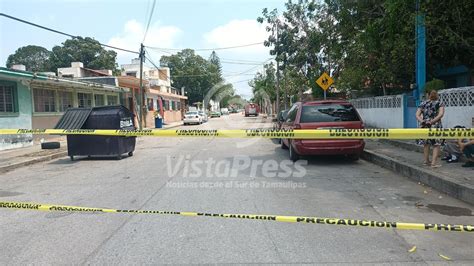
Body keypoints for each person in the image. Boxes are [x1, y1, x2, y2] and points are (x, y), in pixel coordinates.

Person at [416, 90, 445, 168]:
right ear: (437, 95)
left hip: (424, 125)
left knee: (426, 144)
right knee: (436, 144)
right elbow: (441, 114)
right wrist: (432, 121)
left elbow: (417, 115)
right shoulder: (440, 103)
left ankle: (426, 161)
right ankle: (433, 163)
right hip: (435, 125)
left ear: (428, 95)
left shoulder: (423, 103)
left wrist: (423, 121)